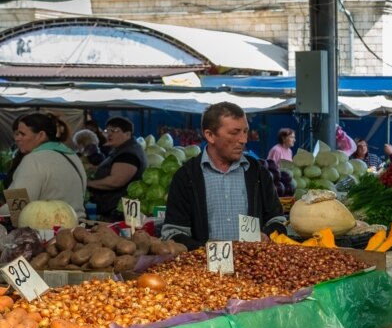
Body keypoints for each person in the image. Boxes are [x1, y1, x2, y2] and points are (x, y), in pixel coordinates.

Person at [162, 102, 286, 249]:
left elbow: (277, 219)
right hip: (202, 268)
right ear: (210, 135)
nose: (243, 140)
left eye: (245, 131)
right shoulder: (186, 177)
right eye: (235, 132)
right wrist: (205, 248)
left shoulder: (258, 173)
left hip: (253, 266)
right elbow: (173, 233)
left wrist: (268, 235)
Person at [3, 113, 87, 219]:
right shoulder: (72, 156)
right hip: (76, 227)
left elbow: (16, 208)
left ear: (41, 135)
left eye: (22, 134)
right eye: (17, 134)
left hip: (47, 230)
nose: (17, 138)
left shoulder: (34, 159)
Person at [86, 117, 147, 220]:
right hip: (112, 210)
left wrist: (88, 184)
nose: (109, 134)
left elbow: (116, 181)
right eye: (107, 130)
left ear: (127, 134)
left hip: (118, 213)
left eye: (114, 130)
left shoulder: (128, 154)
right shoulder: (123, 150)